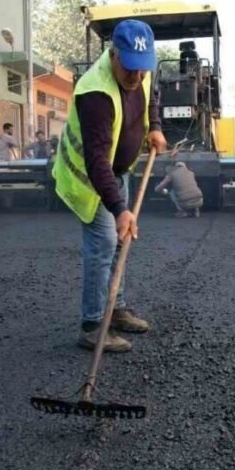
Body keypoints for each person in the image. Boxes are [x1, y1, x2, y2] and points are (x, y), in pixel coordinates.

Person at [52, 18, 167, 352]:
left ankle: (115, 310)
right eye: (130, 68)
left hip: (119, 171)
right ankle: (92, 325)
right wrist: (119, 209)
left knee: (121, 242)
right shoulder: (95, 93)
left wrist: (155, 125)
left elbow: (151, 95)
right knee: (104, 243)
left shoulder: (141, 72)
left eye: (143, 68)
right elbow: (96, 161)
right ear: (113, 54)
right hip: (88, 178)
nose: (137, 76)